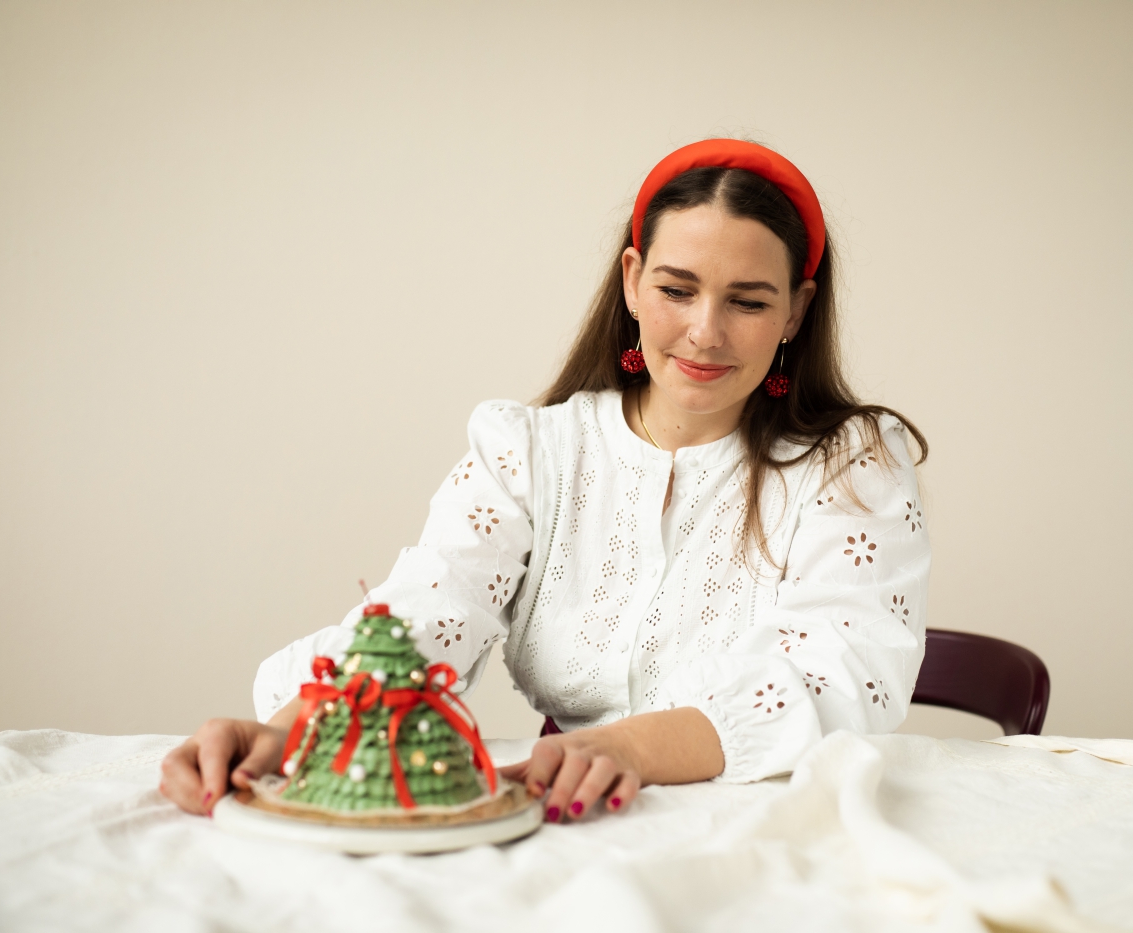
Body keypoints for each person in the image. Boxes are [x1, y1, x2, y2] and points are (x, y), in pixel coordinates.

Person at [160, 139, 931, 823]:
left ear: (797, 309)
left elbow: (843, 675)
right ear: (632, 281)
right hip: (573, 822)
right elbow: (428, 610)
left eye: (749, 300)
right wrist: (293, 726)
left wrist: (629, 746)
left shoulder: (854, 460)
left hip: (778, 828)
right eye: (676, 289)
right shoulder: (528, 448)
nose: (705, 330)